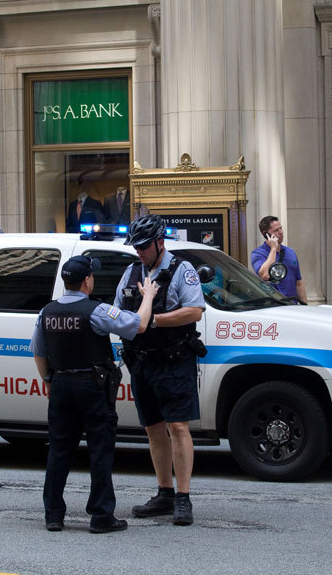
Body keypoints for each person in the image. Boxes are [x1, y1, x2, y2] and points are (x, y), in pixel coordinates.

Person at [31, 255, 159, 533]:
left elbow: (39, 352)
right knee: (100, 450)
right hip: (92, 387)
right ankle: (101, 516)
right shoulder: (96, 310)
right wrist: (147, 296)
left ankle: (53, 514)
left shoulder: (47, 312)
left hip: (62, 386)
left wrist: (49, 379)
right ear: (87, 281)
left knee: (59, 451)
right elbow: (138, 325)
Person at [114, 214, 206, 526]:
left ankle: (183, 497)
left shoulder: (183, 270)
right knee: (153, 428)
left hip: (174, 361)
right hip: (142, 361)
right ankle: (164, 493)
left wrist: (154, 319)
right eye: (135, 246)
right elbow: (119, 311)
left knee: (178, 427)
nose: (138, 251)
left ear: (159, 242)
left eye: (143, 246)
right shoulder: (130, 272)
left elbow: (195, 311)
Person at [250, 215, 307, 303]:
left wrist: (305, 305)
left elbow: (298, 283)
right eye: (276, 230)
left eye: (281, 228)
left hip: (292, 305)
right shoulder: (258, 254)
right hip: (273, 307)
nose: (281, 232)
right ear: (265, 234)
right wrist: (273, 249)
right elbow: (265, 275)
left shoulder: (290, 252)